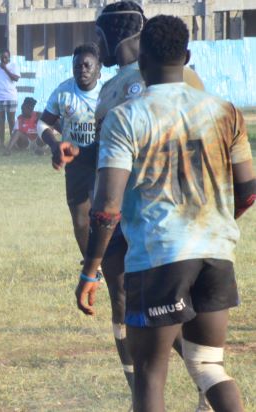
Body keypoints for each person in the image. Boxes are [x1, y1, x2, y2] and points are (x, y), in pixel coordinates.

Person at [76, 15, 252, 412]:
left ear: (141, 61)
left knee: (150, 373)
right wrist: (214, 225)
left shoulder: (126, 117)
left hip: (159, 258)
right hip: (216, 254)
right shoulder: (226, 112)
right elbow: (248, 191)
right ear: (186, 57)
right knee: (208, 366)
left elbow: (106, 208)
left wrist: (91, 269)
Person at [66, 2, 209, 405]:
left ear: (115, 34)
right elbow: (111, 152)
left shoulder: (164, 79)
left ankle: (199, 386)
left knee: (162, 310)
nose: (96, 44)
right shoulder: (111, 87)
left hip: (151, 214)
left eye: (99, 35)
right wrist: (78, 152)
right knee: (127, 303)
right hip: (140, 213)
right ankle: (141, 395)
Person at [38, 43, 102, 272]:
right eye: (77, 66)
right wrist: (55, 145)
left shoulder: (108, 92)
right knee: (80, 220)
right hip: (75, 162)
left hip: (102, 160)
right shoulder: (63, 92)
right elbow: (43, 123)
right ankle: (92, 266)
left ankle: (107, 260)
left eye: (87, 65)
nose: (82, 69)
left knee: (101, 214)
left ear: (98, 68)